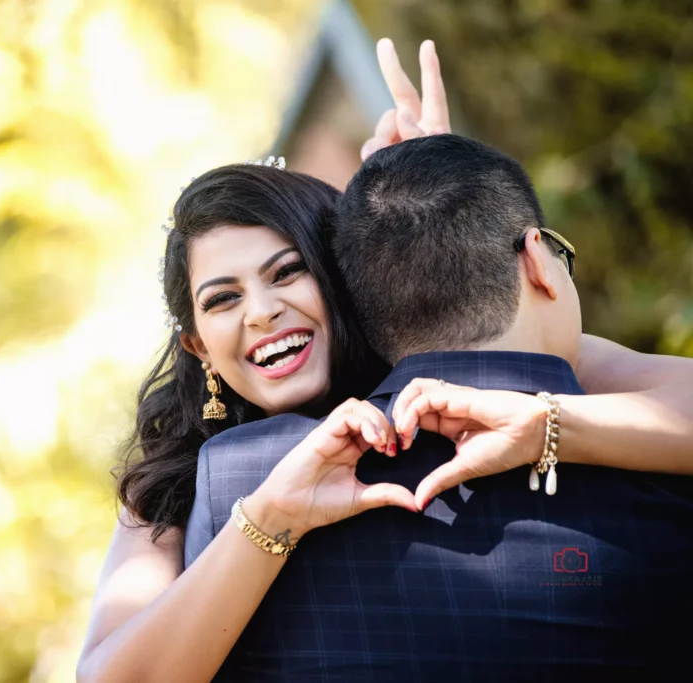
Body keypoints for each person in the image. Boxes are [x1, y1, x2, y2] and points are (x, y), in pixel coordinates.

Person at [76, 41, 693, 683]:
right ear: (198, 345)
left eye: (288, 272)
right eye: (223, 299)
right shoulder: (186, 479)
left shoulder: (459, 406)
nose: (259, 312)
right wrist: (269, 521)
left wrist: (457, 253)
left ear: (346, 285)